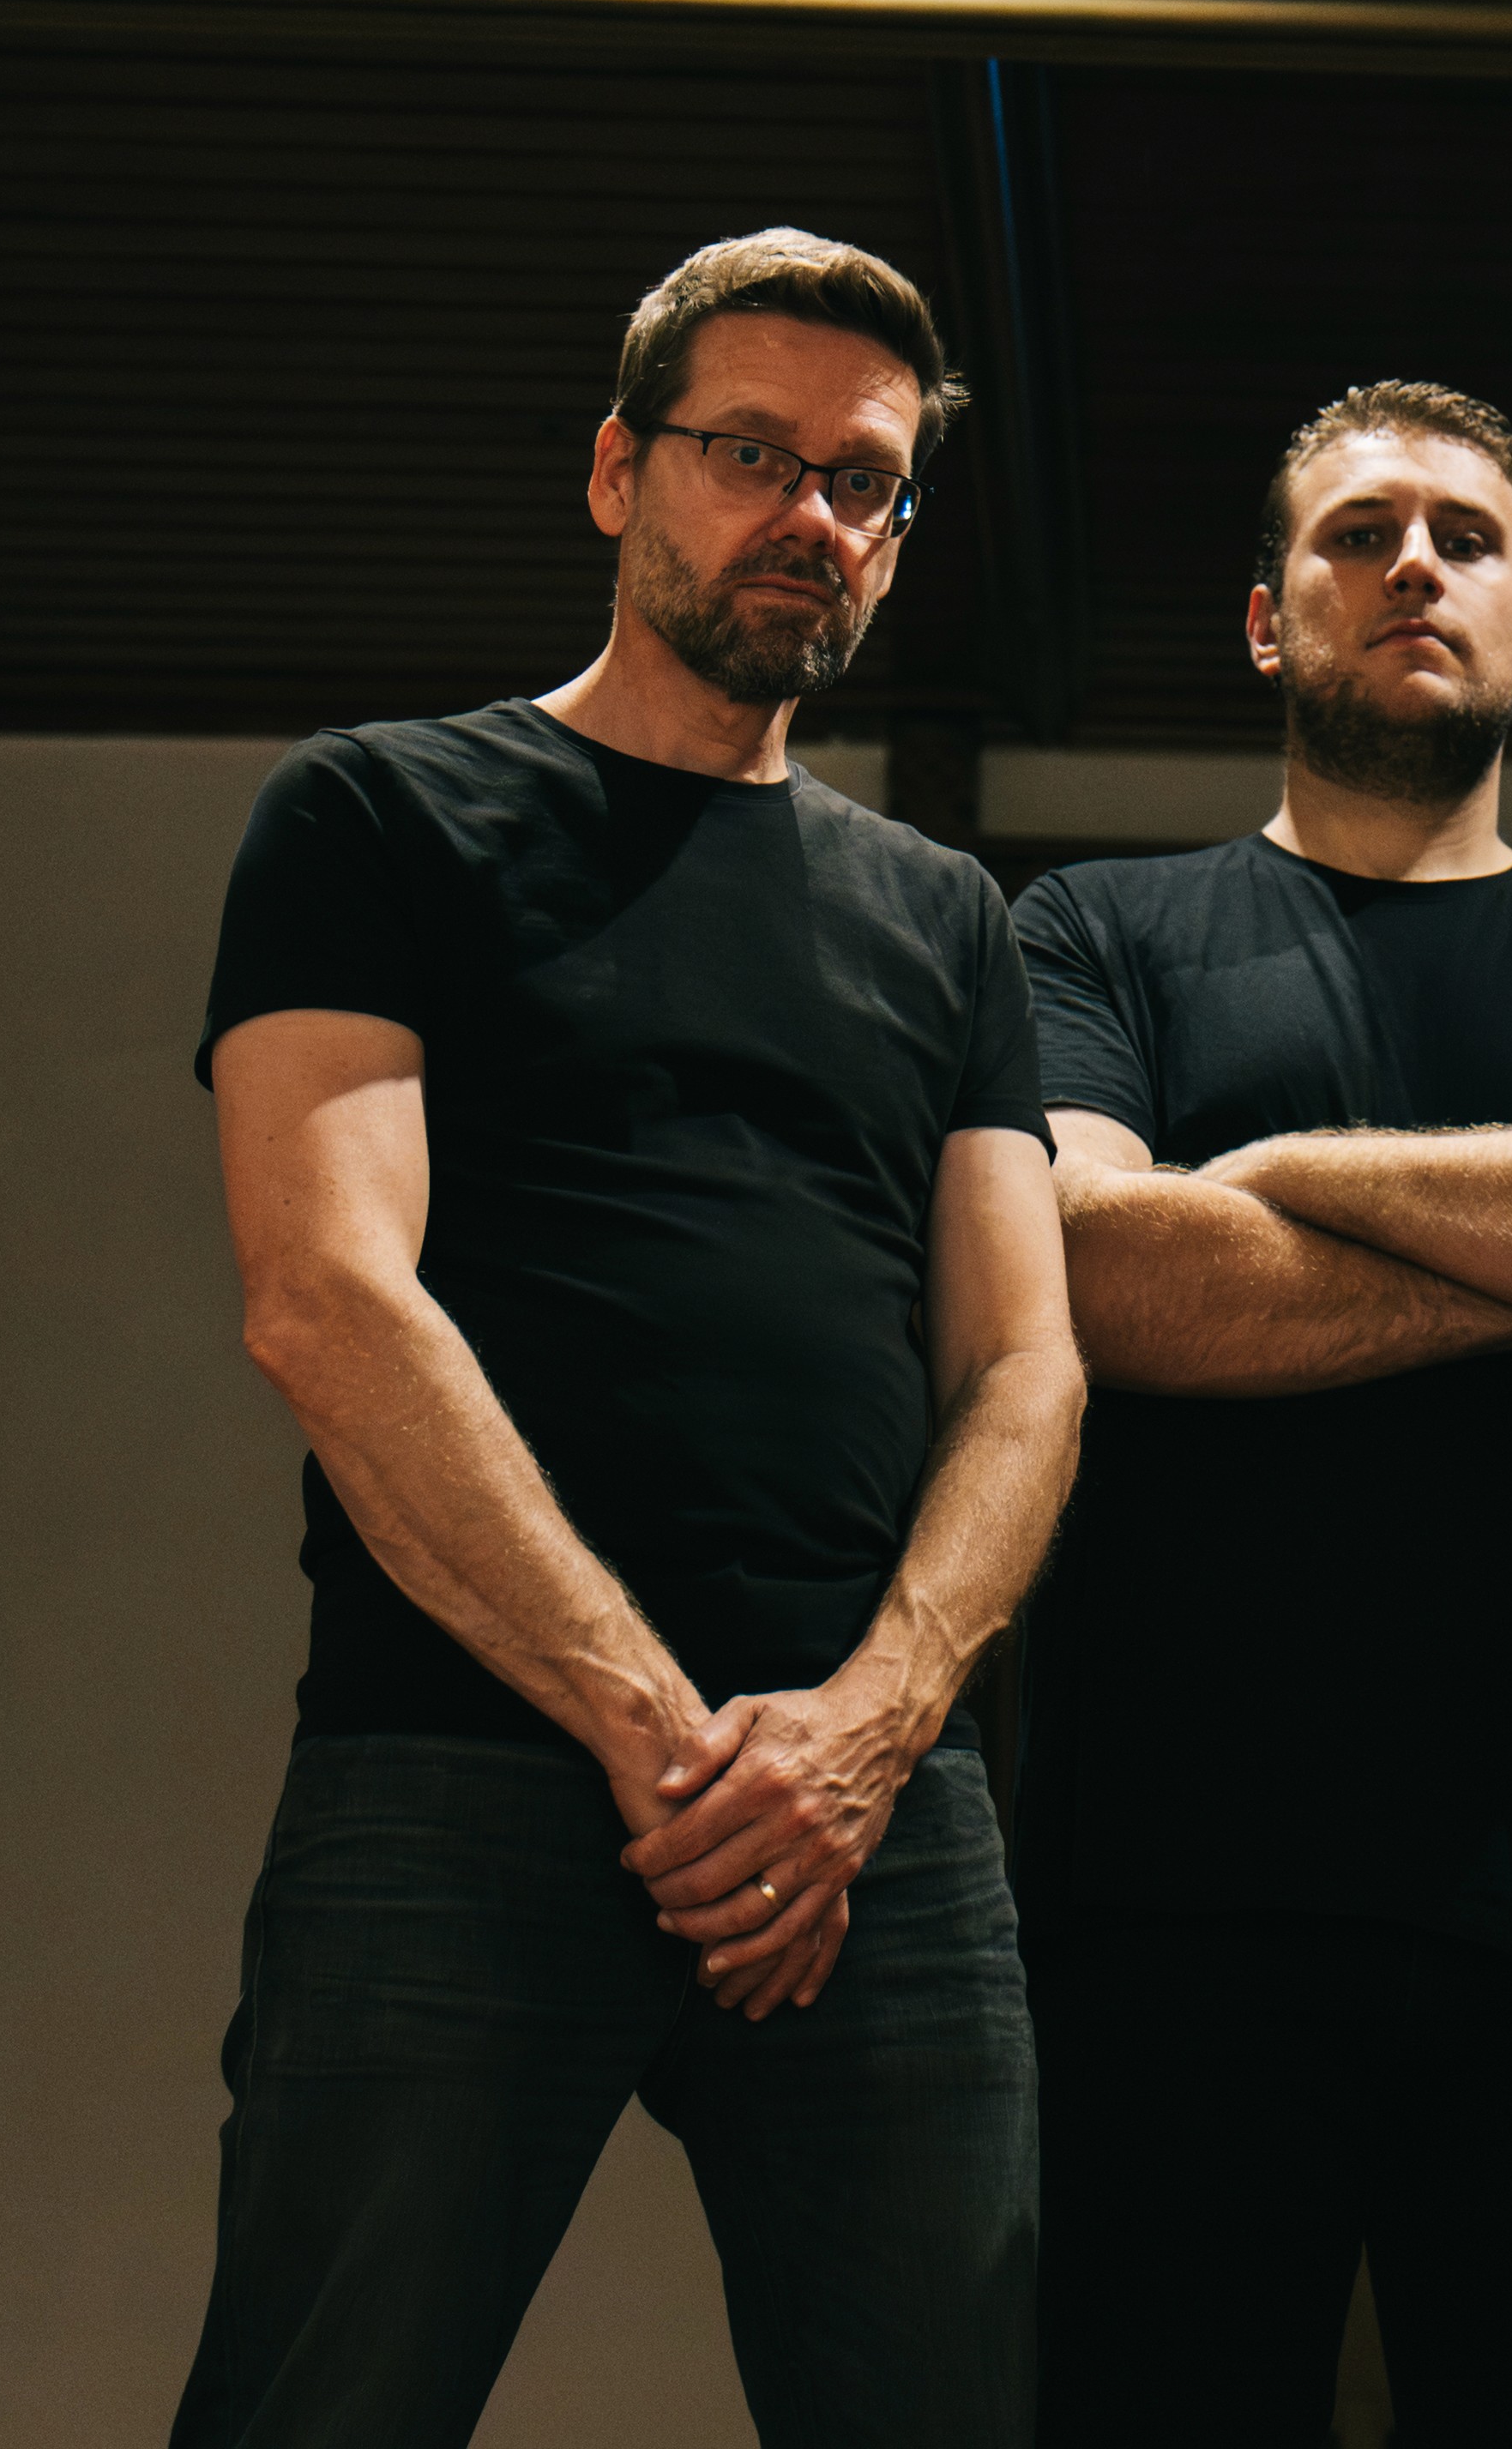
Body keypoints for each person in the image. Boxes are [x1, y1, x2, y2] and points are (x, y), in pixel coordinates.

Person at [176, 229, 1078, 2448]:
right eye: (749, 454)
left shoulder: (944, 916)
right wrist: (662, 1740)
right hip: (464, 1766)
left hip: (870, 1817)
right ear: (615, 470)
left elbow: (1025, 1368)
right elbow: (326, 1297)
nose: (809, 515)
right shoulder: (379, 812)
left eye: (861, 482)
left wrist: (867, 1732)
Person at [1015, 382, 1512, 2448]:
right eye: (1356, 533)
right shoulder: (1093, 930)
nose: (1411, 564)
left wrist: (1263, 1183)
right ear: (1269, 618)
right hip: (1165, 1896)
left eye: (1464, 536)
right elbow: (1101, 1275)